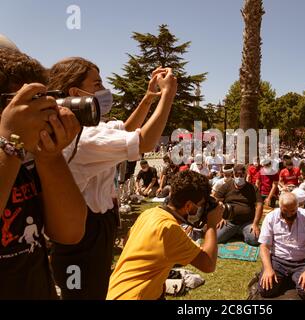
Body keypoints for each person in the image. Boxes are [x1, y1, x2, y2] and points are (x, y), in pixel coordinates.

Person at [47, 57, 177, 299]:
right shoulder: (84, 137)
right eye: (97, 84)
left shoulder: (85, 129)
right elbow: (143, 141)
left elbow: (127, 130)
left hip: (94, 228)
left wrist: (149, 98)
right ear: (76, 92)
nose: (104, 90)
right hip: (84, 236)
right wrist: (168, 95)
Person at [0, 48, 87, 299]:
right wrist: (10, 143)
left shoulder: (23, 158)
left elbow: (70, 232)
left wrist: (49, 155)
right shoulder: (12, 150)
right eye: (26, 102)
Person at [107, 171, 224, 300]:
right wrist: (212, 224)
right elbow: (208, 264)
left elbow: (126, 242)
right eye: (201, 205)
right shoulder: (170, 229)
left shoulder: (149, 213)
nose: (202, 209)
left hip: (117, 292)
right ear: (189, 206)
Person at [258, 192, 305, 299]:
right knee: (265, 290)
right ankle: (282, 276)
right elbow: (264, 246)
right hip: (278, 261)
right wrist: (268, 269)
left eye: (293, 210)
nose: (289, 214)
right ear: (280, 206)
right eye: (285, 211)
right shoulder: (270, 217)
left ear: (298, 206)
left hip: (301, 262)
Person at [214, 165, 263, 246]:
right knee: (215, 237)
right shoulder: (227, 185)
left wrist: (255, 224)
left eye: (241, 175)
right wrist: (221, 216)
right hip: (229, 222)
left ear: (245, 175)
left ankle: (238, 232)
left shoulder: (252, 188)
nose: (239, 177)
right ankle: (235, 232)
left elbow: (259, 205)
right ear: (233, 175)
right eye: (237, 175)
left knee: (255, 239)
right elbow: (215, 199)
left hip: (247, 222)